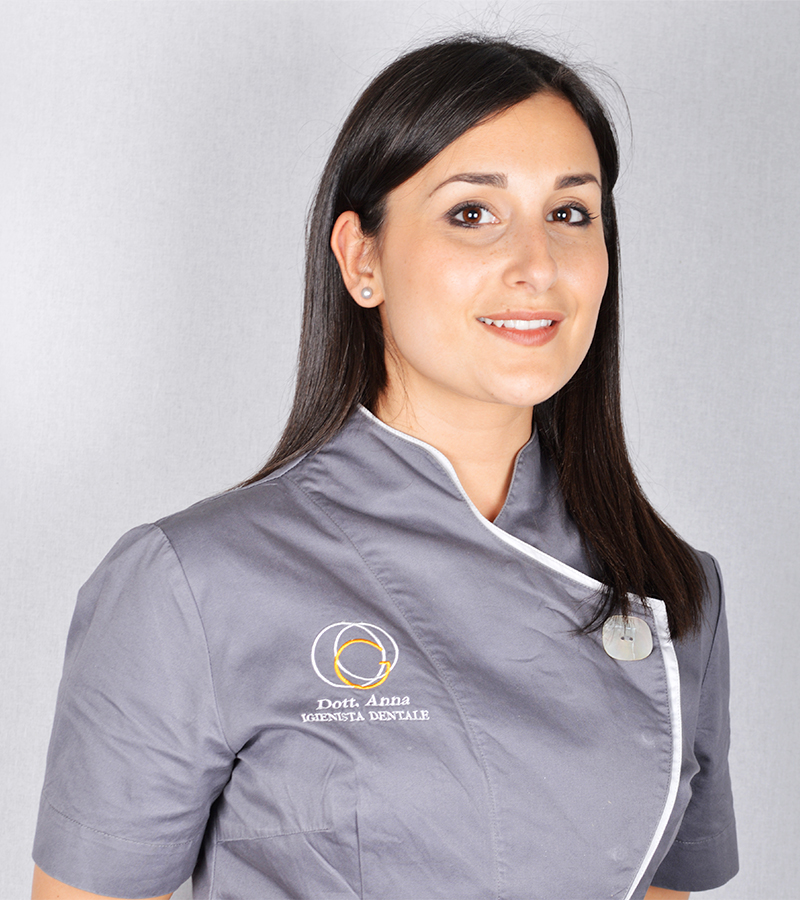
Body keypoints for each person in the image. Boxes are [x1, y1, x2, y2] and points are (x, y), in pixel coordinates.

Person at [31, 35, 737, 900]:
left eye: (570, 213)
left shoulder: (670, 590)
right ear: (362, 259)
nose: (538, 266)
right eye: (472, 214)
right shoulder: (191, 585)